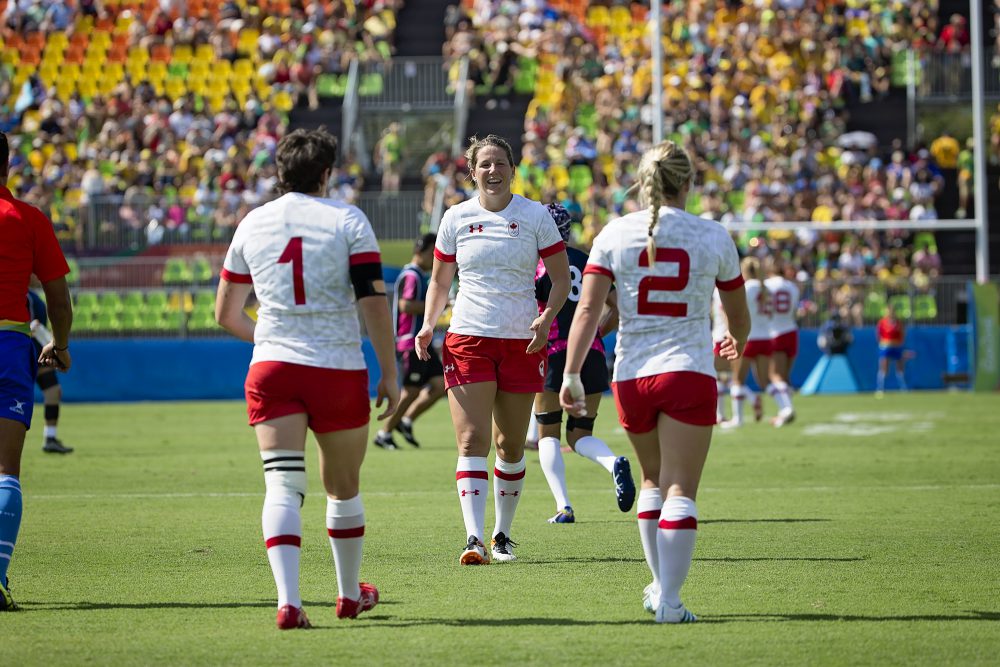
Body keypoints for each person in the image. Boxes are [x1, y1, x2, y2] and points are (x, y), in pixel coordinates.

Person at [214, 127, 400, 629]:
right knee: (343, 488)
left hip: (273, 366)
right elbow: (373, 302)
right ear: (326, 173)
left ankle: (289, 603)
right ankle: (346, 595)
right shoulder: (347, 220)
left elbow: (226, 313)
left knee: (281, 486)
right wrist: (390, 370)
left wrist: (271, 341)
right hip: (336, 365)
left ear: (279, 172)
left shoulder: (252, 223)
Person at [560, 140, 750, 623]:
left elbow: (587, 310)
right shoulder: (711, 235)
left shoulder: (614, 233)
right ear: (689, 183)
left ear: (643, 183)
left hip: (631, 375)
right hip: (687, 371)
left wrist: (571, 372)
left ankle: (660, 589)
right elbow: (738, 315)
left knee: (651, 481)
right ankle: (669, 600)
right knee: (681, 490)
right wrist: (735, 339)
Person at [414, 134, 570, 565]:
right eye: (485, 164)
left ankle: (502, 535)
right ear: (473, 171)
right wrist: (428, 324)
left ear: (512, 168)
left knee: (510, 446)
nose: (493, 171)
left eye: (500, 163)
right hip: (468, 337)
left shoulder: (536, 215)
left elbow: (561, 280)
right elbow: (441, 281)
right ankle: (473, 538)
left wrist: (547, 317)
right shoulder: (455, 218)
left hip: (524, 340)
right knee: (471, 439)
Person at [0, 131, 74, 611]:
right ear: (6, 166)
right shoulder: (28, 219)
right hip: (10, 343)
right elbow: (58, 296)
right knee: (6, 470)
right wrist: (60, 344)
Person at [533, 202, 632, 525]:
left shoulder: (535, 263)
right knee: (579, 434)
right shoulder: (587, 260)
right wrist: (596, 334)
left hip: (553, 352)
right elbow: (617, 307)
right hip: (592, 354)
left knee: (548, 432)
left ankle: (564, 506)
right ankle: (613, 461)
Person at [374, 233, 445, 449]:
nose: (435, 259)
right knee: (411, 389)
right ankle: (384, 433)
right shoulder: (412, 275)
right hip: (409, 342)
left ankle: (405, 421)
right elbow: (406, 305)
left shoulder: (418, 275)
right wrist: (437, 307)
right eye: (433, 253)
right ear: (421, 252)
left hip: (423, 341)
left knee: (440, 384)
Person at [721, 257, 770, 429]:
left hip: (748, 337)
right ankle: (786, 408)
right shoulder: (765, 287)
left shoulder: (747, 287)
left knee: (736, 380)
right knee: (765, 382)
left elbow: (735, 311)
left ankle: (738, 418)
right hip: (766, 337)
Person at [27, 283, 73, 453]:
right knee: (14, 398)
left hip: (38, 351)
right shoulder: (22, 294)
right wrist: (29, 327)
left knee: (53, 390)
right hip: (24, 352)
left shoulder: (31, 295)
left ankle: (50, 438)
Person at [764, 258, 800, 427]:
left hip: (774, 331)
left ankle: (787, 409)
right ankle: (784, 412)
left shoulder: (766, 285)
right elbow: (794, 310)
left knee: (774, 375)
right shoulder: (791, 286)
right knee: (784, 376)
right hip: (791, 330)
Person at [876, 303, 907, 396]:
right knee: (884, 368)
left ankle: (903, 387)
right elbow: (878, 335)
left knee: (900, 368)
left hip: (896, 346)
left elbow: (902, 334)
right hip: (885, 347)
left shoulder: (898, 322)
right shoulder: (882, 322)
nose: (890, 312)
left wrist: (899, 343)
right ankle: (880, 388)